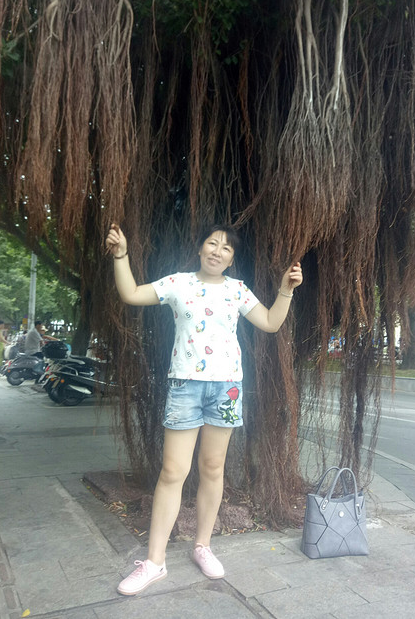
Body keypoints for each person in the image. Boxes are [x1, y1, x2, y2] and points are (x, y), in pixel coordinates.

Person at [106, 223, 303, 596]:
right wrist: (121, 255)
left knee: (212, 468)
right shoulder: (178, 283)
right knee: (172, 472)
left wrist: (285, 291)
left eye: (226, 248)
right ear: (200, 249)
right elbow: (131, 293)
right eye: (212, 243)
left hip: (226, 389)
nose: (218, 250)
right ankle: (154, 562)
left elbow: (271, 323)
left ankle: (203, 546)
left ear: (231, 259)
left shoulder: (237, 290)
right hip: (184, 386)